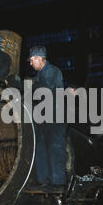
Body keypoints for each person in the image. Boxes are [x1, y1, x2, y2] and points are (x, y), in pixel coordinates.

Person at [18, 46, 67, 192]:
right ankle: (44, 180)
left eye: (32, 60)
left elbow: (47, 91)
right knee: (40, 148)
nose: (31, 63)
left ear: (40, 58)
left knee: (55, 147)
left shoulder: (52, 71)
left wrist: (29, 85)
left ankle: (58, 182)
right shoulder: (39, 75)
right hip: (43, 117)